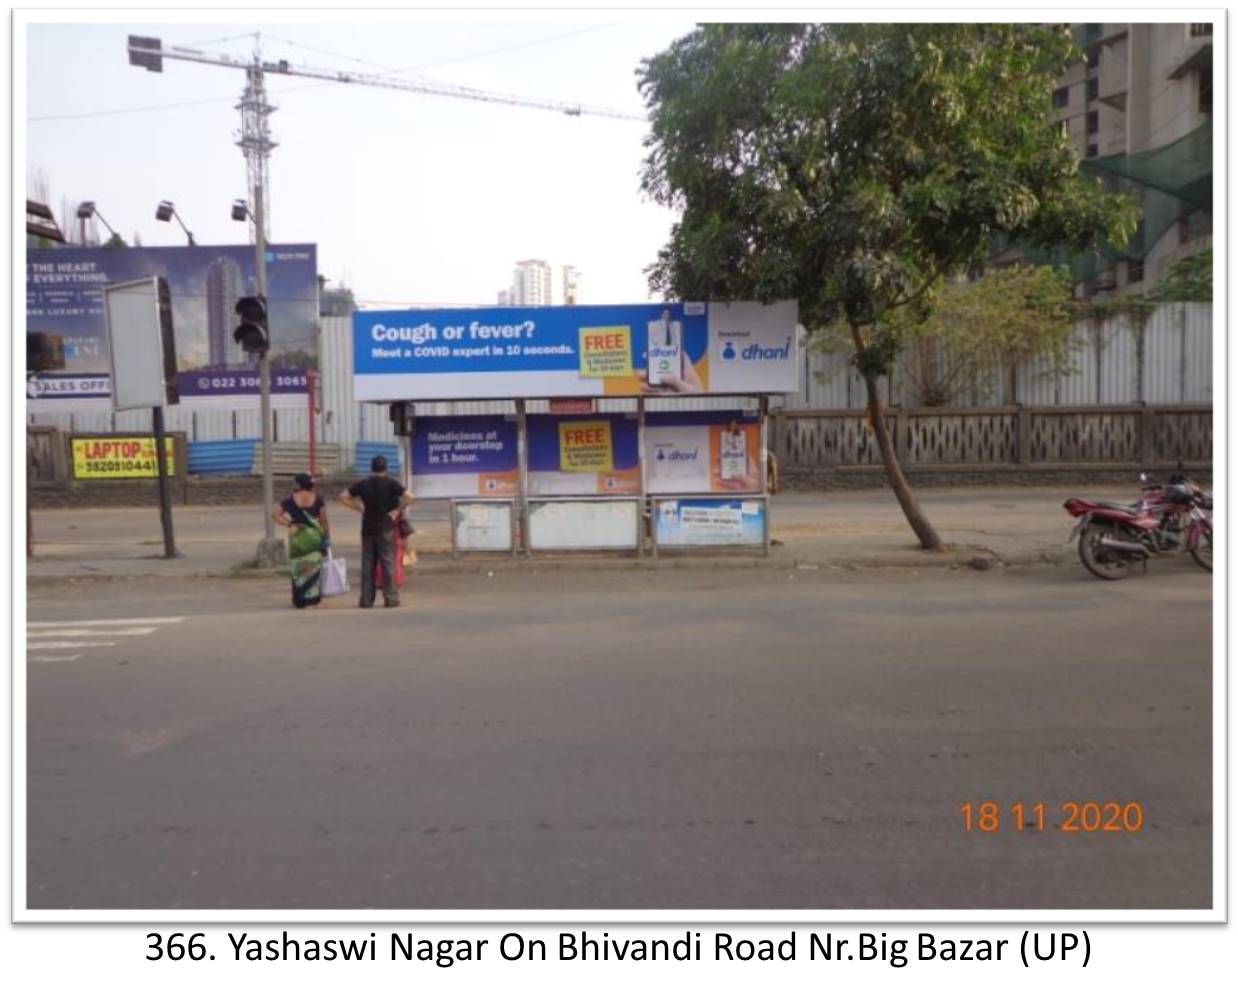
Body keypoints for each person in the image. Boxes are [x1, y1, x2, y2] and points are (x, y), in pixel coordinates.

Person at [339, 454, 413, 608]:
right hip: (386, 529)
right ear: (386, 468)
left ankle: (366, 600)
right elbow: (410, 497)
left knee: (367, 565)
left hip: (367, 529)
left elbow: (343, 497)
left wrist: (358, 507)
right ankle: (391, 599)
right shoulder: (392, 484)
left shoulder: (364, 484)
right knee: (387, 564)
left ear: (371, 468)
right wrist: (397, 510)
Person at [272, 472, 330, 609]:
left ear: (298, 484)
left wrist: (289, 524)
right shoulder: (318, 499)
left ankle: (299, 600)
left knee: (298, 568)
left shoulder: (290, 499)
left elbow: (275, 514)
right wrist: (326, 538)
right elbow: (324, 521)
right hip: (314, 538)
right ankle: (313, 600)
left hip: (297, 538)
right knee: (314, 568)